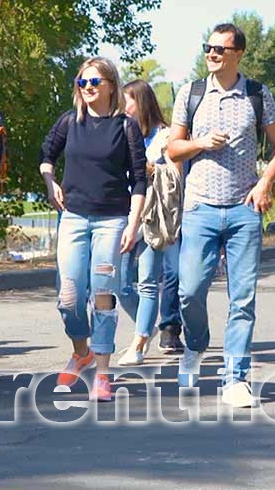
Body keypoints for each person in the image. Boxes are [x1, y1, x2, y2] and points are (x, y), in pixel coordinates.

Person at [167, 22, 275, 409]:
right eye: (209, 47)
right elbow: (172, 149)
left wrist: (265, 182)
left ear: (238, 54)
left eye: (221, 49)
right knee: (189, 291)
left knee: (243, 299)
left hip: (244, 209)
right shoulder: (192, 92)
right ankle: (196, 347)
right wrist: (200, 143)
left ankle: (235, 378)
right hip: (199, 207)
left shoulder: (257, 94)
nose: (213, 54)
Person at [40, 57, 146, 401]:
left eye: (94, 82)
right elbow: (46, 154)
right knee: (68, 298)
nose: (87, 88)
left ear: (111, 86)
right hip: (73, 218)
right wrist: (49, 181)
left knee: (103, 292)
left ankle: (102, 373)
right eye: (82, 82)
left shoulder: (126, 127)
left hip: (112, 221)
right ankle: (81, 351)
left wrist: (133, 222)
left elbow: (140, 180)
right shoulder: (70, 122)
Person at [118, 79, 182, 363]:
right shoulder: (120, 131)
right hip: (124, 214)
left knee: (147, 281)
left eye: (127, 101)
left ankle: (139, 342)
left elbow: (176, 177)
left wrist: (150, 167)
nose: (123, 107)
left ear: (140, 102)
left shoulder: (166, 136)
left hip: (152, 216)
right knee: (120, 284)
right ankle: (147, 328)